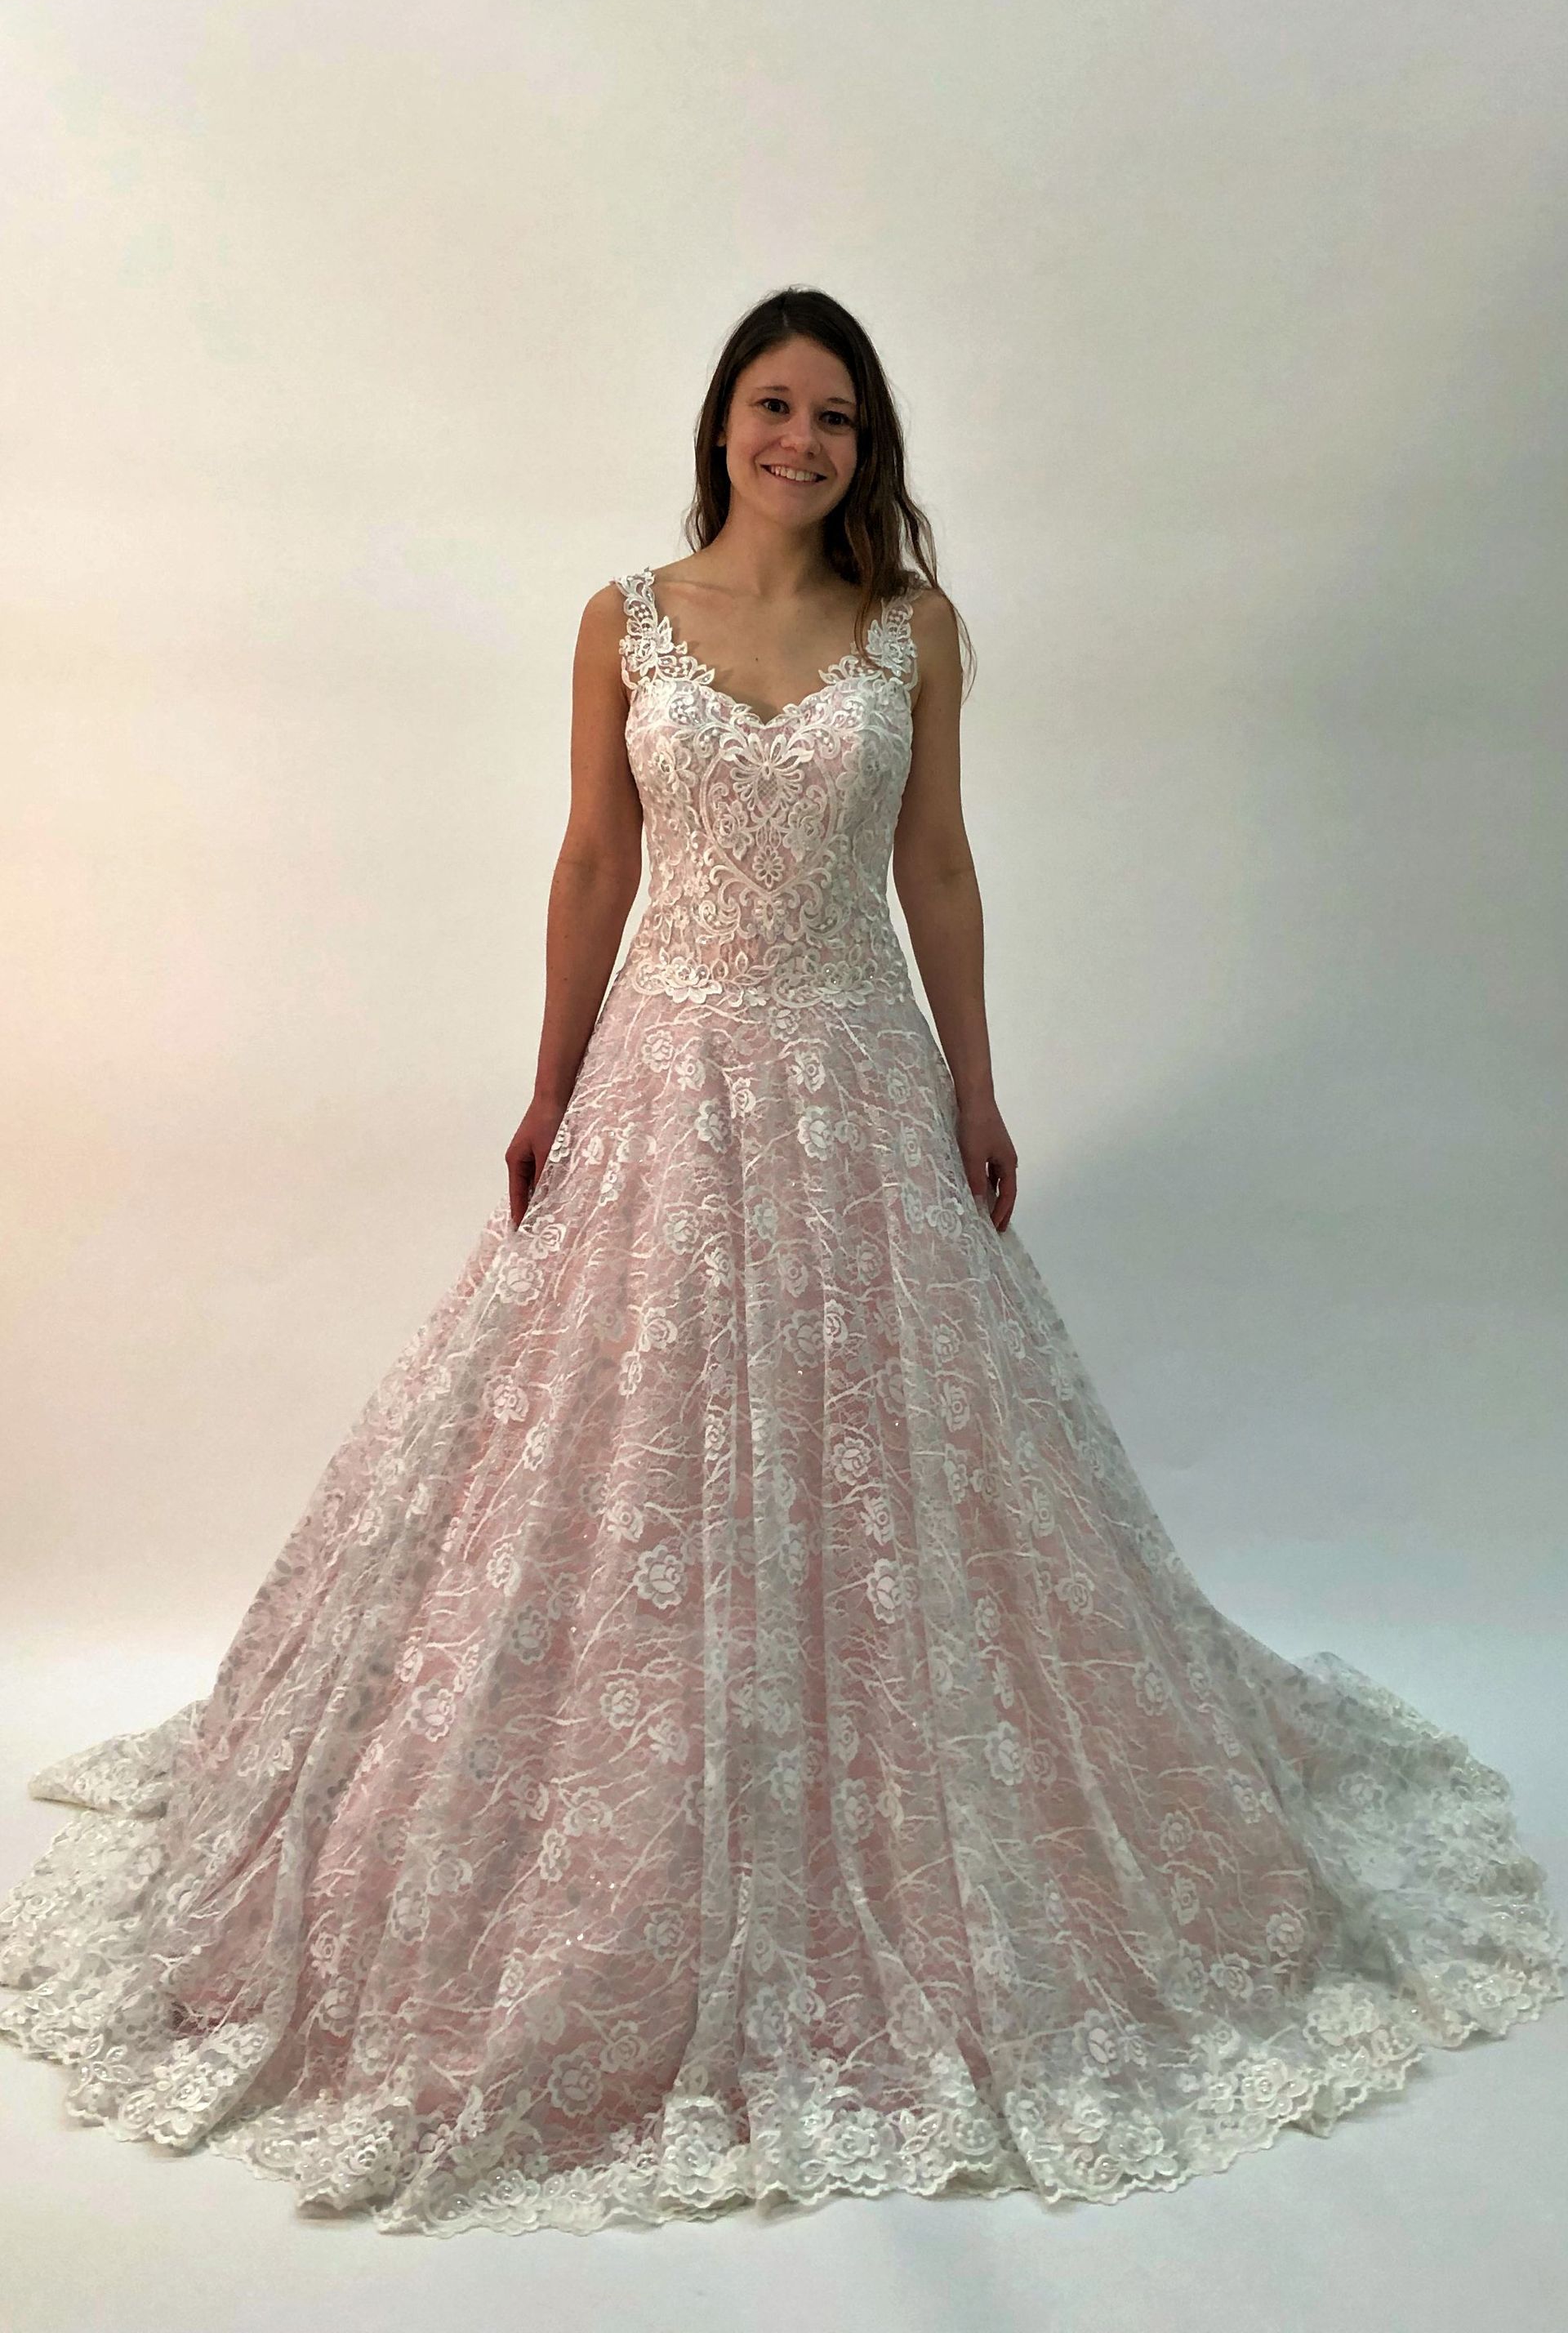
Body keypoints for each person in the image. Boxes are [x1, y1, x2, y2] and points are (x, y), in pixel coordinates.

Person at [1, 287, 1562, 2242]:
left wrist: (980, 1091)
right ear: (721, 421)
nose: (799, 441)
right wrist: (548, 1087)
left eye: (834, 417)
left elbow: (940, 871)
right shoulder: (623, 619)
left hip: (848, 1077)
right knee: (600, 1466)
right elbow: (593, 864)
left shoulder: (911, 634)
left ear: (865, 446)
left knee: (900, 1479)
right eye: (771, 406)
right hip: (664, 1073)